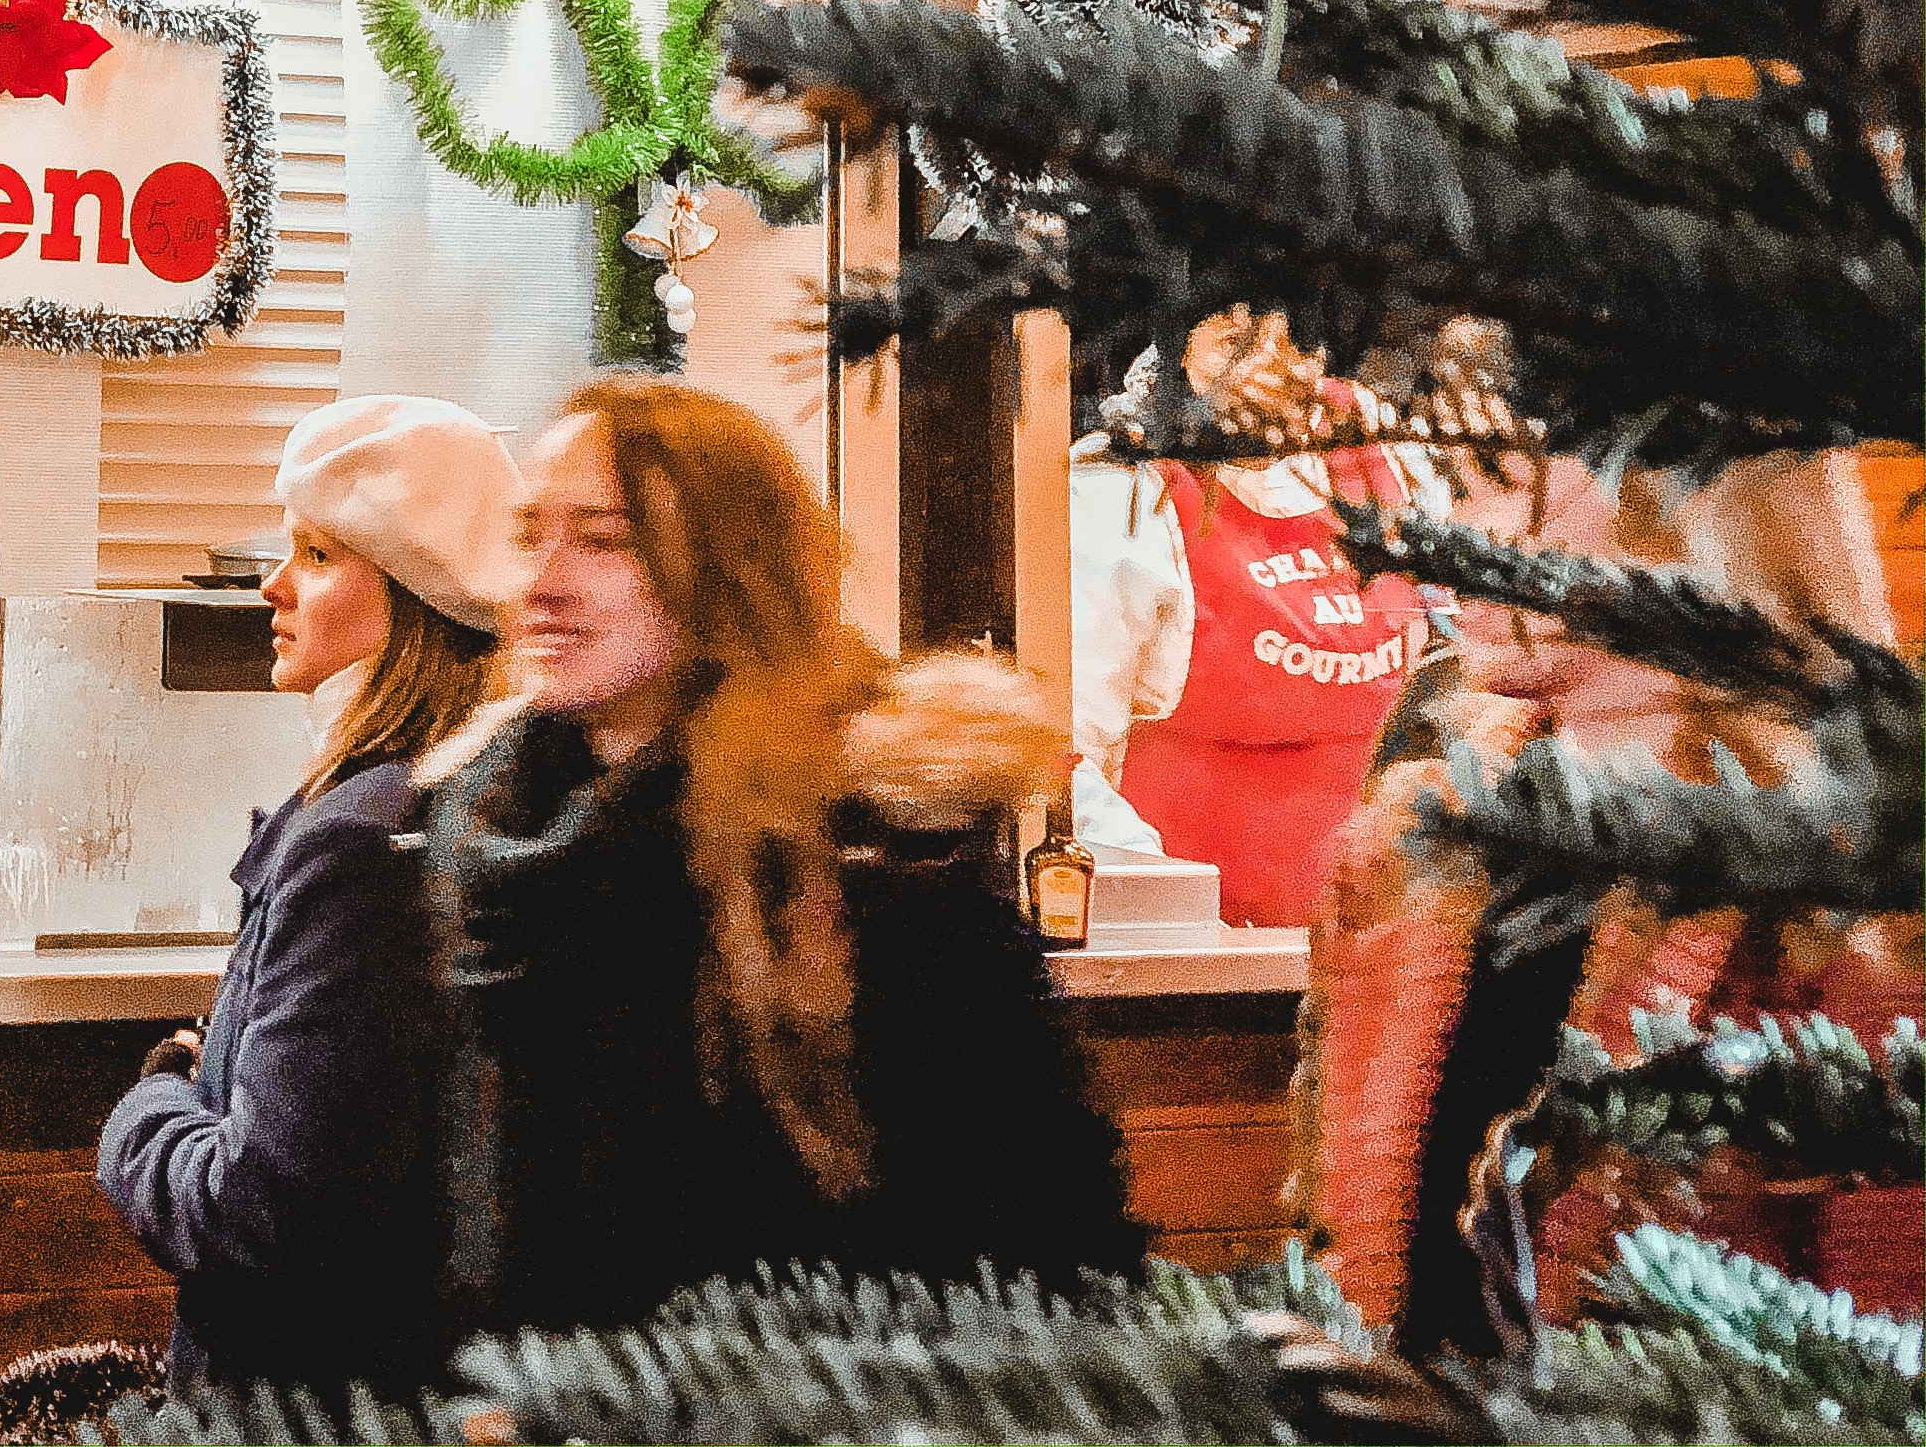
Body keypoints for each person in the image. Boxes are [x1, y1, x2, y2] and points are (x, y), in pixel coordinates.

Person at [434, 377, 1145, 1337]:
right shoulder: (489, 839)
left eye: (605, 542)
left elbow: (1045, 1226)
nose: (543, 584)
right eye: (531, 536)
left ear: (725, 570)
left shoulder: (863, 853)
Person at [1300, 449, 1919, 1352]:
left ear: (1692, 508)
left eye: (1500, 479)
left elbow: (1886, 1362)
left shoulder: (1851, 910)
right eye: (1454, 481)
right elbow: (1341, 1282)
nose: (1447, 531)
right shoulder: (1405, 858)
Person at [99, 396, 514, 1409]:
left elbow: (264, 1209)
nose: (274, 587)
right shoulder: (468, 801)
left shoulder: (362, 844)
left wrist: (147, 1110)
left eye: (320, 556)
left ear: (416, 595)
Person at [1071, 431, 1435, 925]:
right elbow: (1070, 768)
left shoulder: (1407, 467)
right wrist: (1188, 930)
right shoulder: (1124, 495)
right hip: (1213, 962)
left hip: (1389, 951)